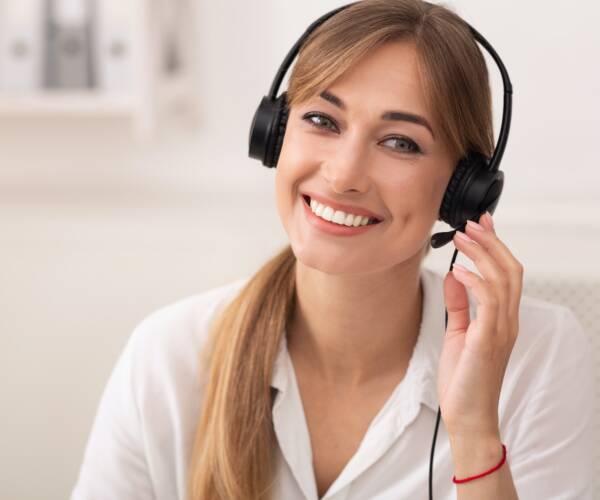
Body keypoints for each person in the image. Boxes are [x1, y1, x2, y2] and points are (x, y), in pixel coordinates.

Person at [70, 1, 595, 499]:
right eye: (322, 121)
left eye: (400, 142)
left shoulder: (538, 356)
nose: (343, 175)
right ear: (274, 134)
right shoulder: (167, 357)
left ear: (463, 189)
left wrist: (477, 432)